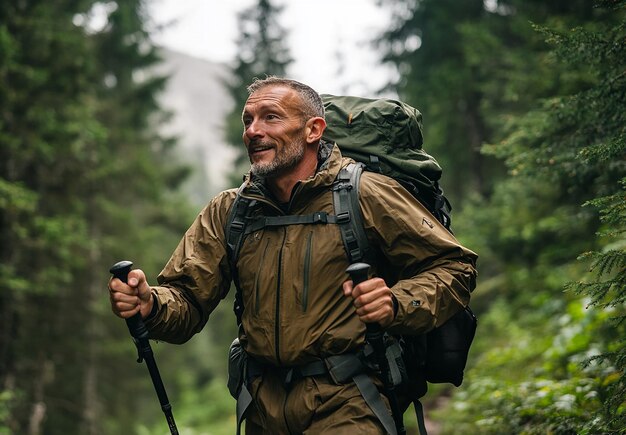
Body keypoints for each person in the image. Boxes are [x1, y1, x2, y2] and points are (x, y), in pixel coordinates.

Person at [108, 76, 478, 434]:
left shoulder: (363, 193)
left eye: (270, 117)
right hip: (261, 409)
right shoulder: (231, 211)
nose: (253, 130)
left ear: (313, 130)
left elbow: (453, 266)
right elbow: (187, 301)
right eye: (248, 120)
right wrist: (150, 304)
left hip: (348, 400)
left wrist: (395, 303)